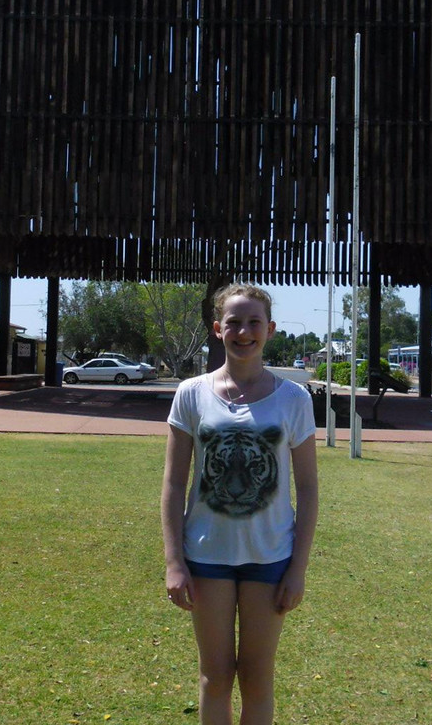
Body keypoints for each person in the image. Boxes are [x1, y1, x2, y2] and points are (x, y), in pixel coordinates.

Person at [160, 284, 318, 725]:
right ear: (217, 329)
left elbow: (307, 488)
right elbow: (174, 483)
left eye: (253, 323)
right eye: (233, 322)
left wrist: (298, 569)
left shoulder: (294, 399)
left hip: (270, 558)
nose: (243, 331)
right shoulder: (191, 393)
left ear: (270, 329)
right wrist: (174, 561)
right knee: (215, 676)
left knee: (257, 677)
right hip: (207, 555)